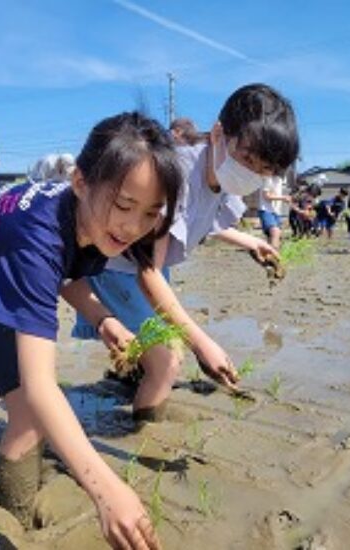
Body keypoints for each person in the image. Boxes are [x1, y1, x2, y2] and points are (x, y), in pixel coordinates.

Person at [0, 111, 185, 549]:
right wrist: (106, 489)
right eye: (124, 205)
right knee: (28, 408)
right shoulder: (38, 239)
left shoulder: (90, 220)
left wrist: (101, 319)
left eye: (151, 212)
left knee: (31, 404)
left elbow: (66, 275)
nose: (133, 227)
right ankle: (9, 516)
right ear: (80, 182)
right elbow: (40, 385)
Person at [73, 83, 299, 421]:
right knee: (169, 359)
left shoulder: (221, 177)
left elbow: (201, 222)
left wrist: (249, 241)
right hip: (120, 265)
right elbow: (147, 274)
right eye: (247, 158)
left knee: (152, 344)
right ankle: (144, 435)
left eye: (265, 169)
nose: (252, 173)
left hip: (147, 262)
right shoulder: (176, 174)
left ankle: (134, 377)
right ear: (219, 134)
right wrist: (202, 344)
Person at [257, 175, 290, 249]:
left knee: (274, 235)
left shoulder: (279, 179)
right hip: (266, 210)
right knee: (275, 232)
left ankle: (271, 254)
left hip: (276, 211)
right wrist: (283, 198)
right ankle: (274, 255)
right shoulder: (267, 178)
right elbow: (267, 196)